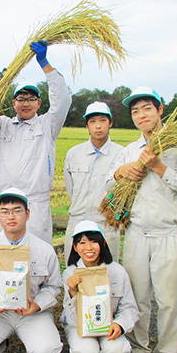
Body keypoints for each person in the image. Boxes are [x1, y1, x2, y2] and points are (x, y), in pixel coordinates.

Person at [106, 87, 177, 353]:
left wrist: (160, 167)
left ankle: (167, 350)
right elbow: (107, 183)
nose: (141, 115)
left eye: (147, 108)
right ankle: (139, 347)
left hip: (170, 234)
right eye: (135, 111)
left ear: (160, 110)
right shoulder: (129, 150)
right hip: (136, 233)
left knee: (169, 300)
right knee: (137, 297)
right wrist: (118, 172)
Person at [0, 40, 73, 244]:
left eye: (31, 98)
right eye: (21, 98)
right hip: (7, 204)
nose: (25, 103)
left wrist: (45, 63)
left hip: (35, 204)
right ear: (13, 103)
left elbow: (62, 99)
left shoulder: (47, 125)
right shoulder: (1, 125)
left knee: (37, 257)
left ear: (39, 103)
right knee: (7, 255)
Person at [0, 187, 63, 353]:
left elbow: (53, 287)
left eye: (17, 211)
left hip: (32, 313)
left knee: (46, 349)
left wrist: (37, 304)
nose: (11, 217)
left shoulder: (44, 250)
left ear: (28, 214)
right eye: (5, 212)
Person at [61, 220, 138, 353]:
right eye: (82, 243)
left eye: (93, 241)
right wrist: (73, 292)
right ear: (75, 247)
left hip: (109, 324)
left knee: (117, 349)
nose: (89, 247)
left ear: (102, 244)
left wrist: (119, 324)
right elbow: (71, 318)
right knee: (86, 351)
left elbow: (129, 308)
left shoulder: (118, 272)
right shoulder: (70, 273)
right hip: (78, 326)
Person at [63, 102, 125, 264]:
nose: (98, 126)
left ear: (110, 123)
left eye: (103, 120)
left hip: (106, 224)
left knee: (107, 272)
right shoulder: (74, 154)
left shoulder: (122, 154)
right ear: (87, 125)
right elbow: (71, 188)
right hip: (77, 220)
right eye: (93, 121)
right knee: (74, 270)